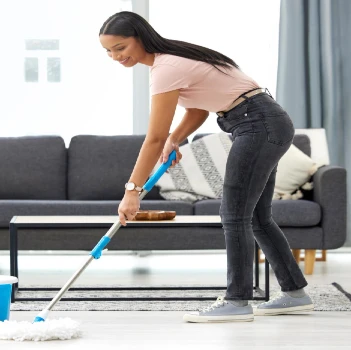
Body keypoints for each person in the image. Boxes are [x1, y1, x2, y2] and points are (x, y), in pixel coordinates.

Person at [99, 11, 314, 323]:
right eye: (108, 51)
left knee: (234, 214)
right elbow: (198, 111)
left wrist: (132, 191)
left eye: (120, 48)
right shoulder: (173, 60)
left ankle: (237, 302)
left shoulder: (166, 67)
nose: (115, 57)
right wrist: (176, 139)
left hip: (257, 125)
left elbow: (153, 137)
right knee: (256, 217)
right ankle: (295, 294)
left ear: (139, 36)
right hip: (263, 122)